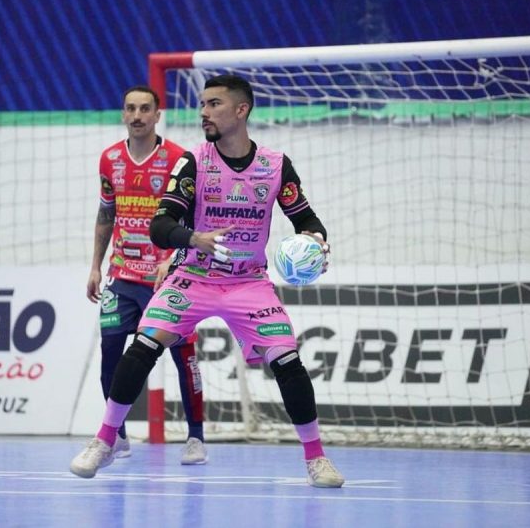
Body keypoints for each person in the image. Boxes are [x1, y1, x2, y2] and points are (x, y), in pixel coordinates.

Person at [70, 75, 344, 488]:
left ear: (241, 110)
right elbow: (159, 226)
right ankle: (105, 440)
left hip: (248, 283)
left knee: (288, 361)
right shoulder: (194, 161)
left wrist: (317, 244)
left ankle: (316, 459)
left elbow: (305, 219)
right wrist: (193, 238)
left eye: (214, 104)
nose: (203, 112)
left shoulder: (275, 165)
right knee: (144, 344)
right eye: (202, 104)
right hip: (194, 276)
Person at [71, 85, 207, 469]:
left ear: (157, 114)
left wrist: (177, 258)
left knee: (184, 357)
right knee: (110, 355)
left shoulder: (179, 159)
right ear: (123, 113)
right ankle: (117, 438)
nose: (137, 116)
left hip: (169, 279)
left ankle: (196, 437)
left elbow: (193, 221)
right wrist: (96, 265)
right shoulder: (109, 159)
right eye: (130, 108)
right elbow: (105, 214)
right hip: (122, 276)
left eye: (145, 109)